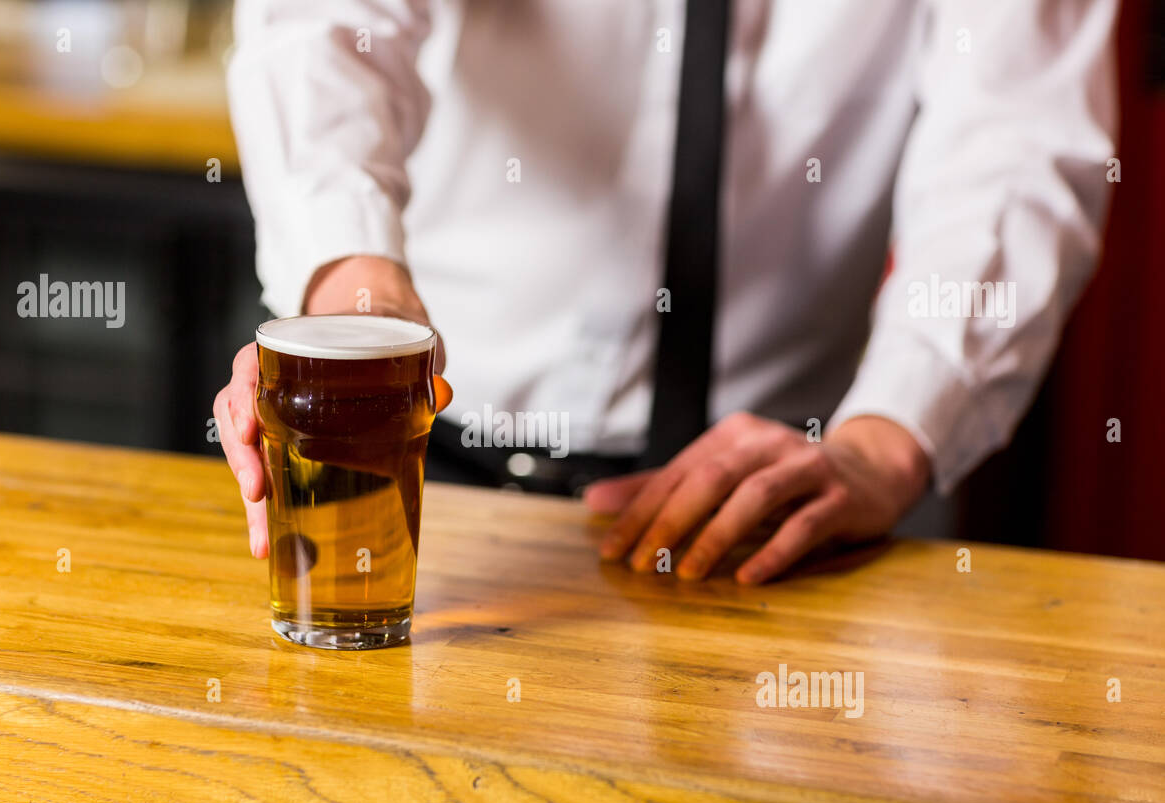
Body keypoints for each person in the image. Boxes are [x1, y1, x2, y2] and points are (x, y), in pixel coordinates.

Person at [214, 0, 1117, 584]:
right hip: (427, 471)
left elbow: (1016, 145)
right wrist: (353, 289)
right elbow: (325, 26)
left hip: (786, 519)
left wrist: (884, 445)